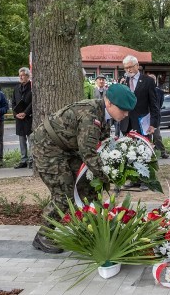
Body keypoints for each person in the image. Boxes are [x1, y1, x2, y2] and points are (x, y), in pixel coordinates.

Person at [31, 83, 137, 253]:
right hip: (47, 148)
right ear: (108, 102)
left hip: (67, 148)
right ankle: (44, 235)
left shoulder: (104, 114)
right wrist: (108, 176)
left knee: (87, 188)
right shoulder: (91, 115)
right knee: (64, 193)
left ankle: (92, 230)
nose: (126, 114)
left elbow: (99, 147)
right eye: (123, 109)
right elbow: (88, 153)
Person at [118, 55, 160, 136]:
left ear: (137, 65)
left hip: (142, 124)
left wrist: (153, 124)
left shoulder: (148, 81)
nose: (128, 70)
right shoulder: (123, 82)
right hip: (126, 124)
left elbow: (154, 104)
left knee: (142, 148)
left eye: (130, 67)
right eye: (126, 68)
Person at [12, 67, 34, 169]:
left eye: (23, 75)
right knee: (21, 140)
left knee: (30, 140)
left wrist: (25, 112)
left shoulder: (32, 86)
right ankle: (23, 160)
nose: (21, 77)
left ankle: (31, 160)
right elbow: (13, 102)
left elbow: (33, 102)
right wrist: (15, 113)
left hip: (28, 117)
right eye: (19, 75)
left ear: (28, 76)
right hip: (19, 118)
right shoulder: (16, 88)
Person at [147, 73, 169, 159]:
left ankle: (163, 152)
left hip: (155, 116)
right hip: (146, 116)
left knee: (157, 136)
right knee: (147, 136)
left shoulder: (160, 92)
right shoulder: (144, 91)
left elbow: (159, 104)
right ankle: (148, 154)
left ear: (155, 81)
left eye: (153, 80)